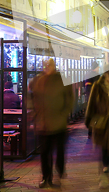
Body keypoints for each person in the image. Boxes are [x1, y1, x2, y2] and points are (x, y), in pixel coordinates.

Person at [29, 58, 74, 189]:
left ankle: (59, 171)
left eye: (49, 65)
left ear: (54, 66)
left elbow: (70, 98)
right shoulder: (37, 80)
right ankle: (46, 177)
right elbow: (30, 96)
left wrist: (64, 113)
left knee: (59, 151)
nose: (47, 67)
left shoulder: (62, 80)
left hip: (58, 123)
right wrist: (34, 111)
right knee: (44, 152)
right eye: (45, 65)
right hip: (43, 123)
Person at [84, 61, 100, 138]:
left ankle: (90, 132)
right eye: (98, 67)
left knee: (90, 114)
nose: (99, 68)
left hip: (89, 97)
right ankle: (96, 131)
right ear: (95, 68)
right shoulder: (97, 76)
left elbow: (86, 86)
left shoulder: (87, 75)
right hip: (96, 98)